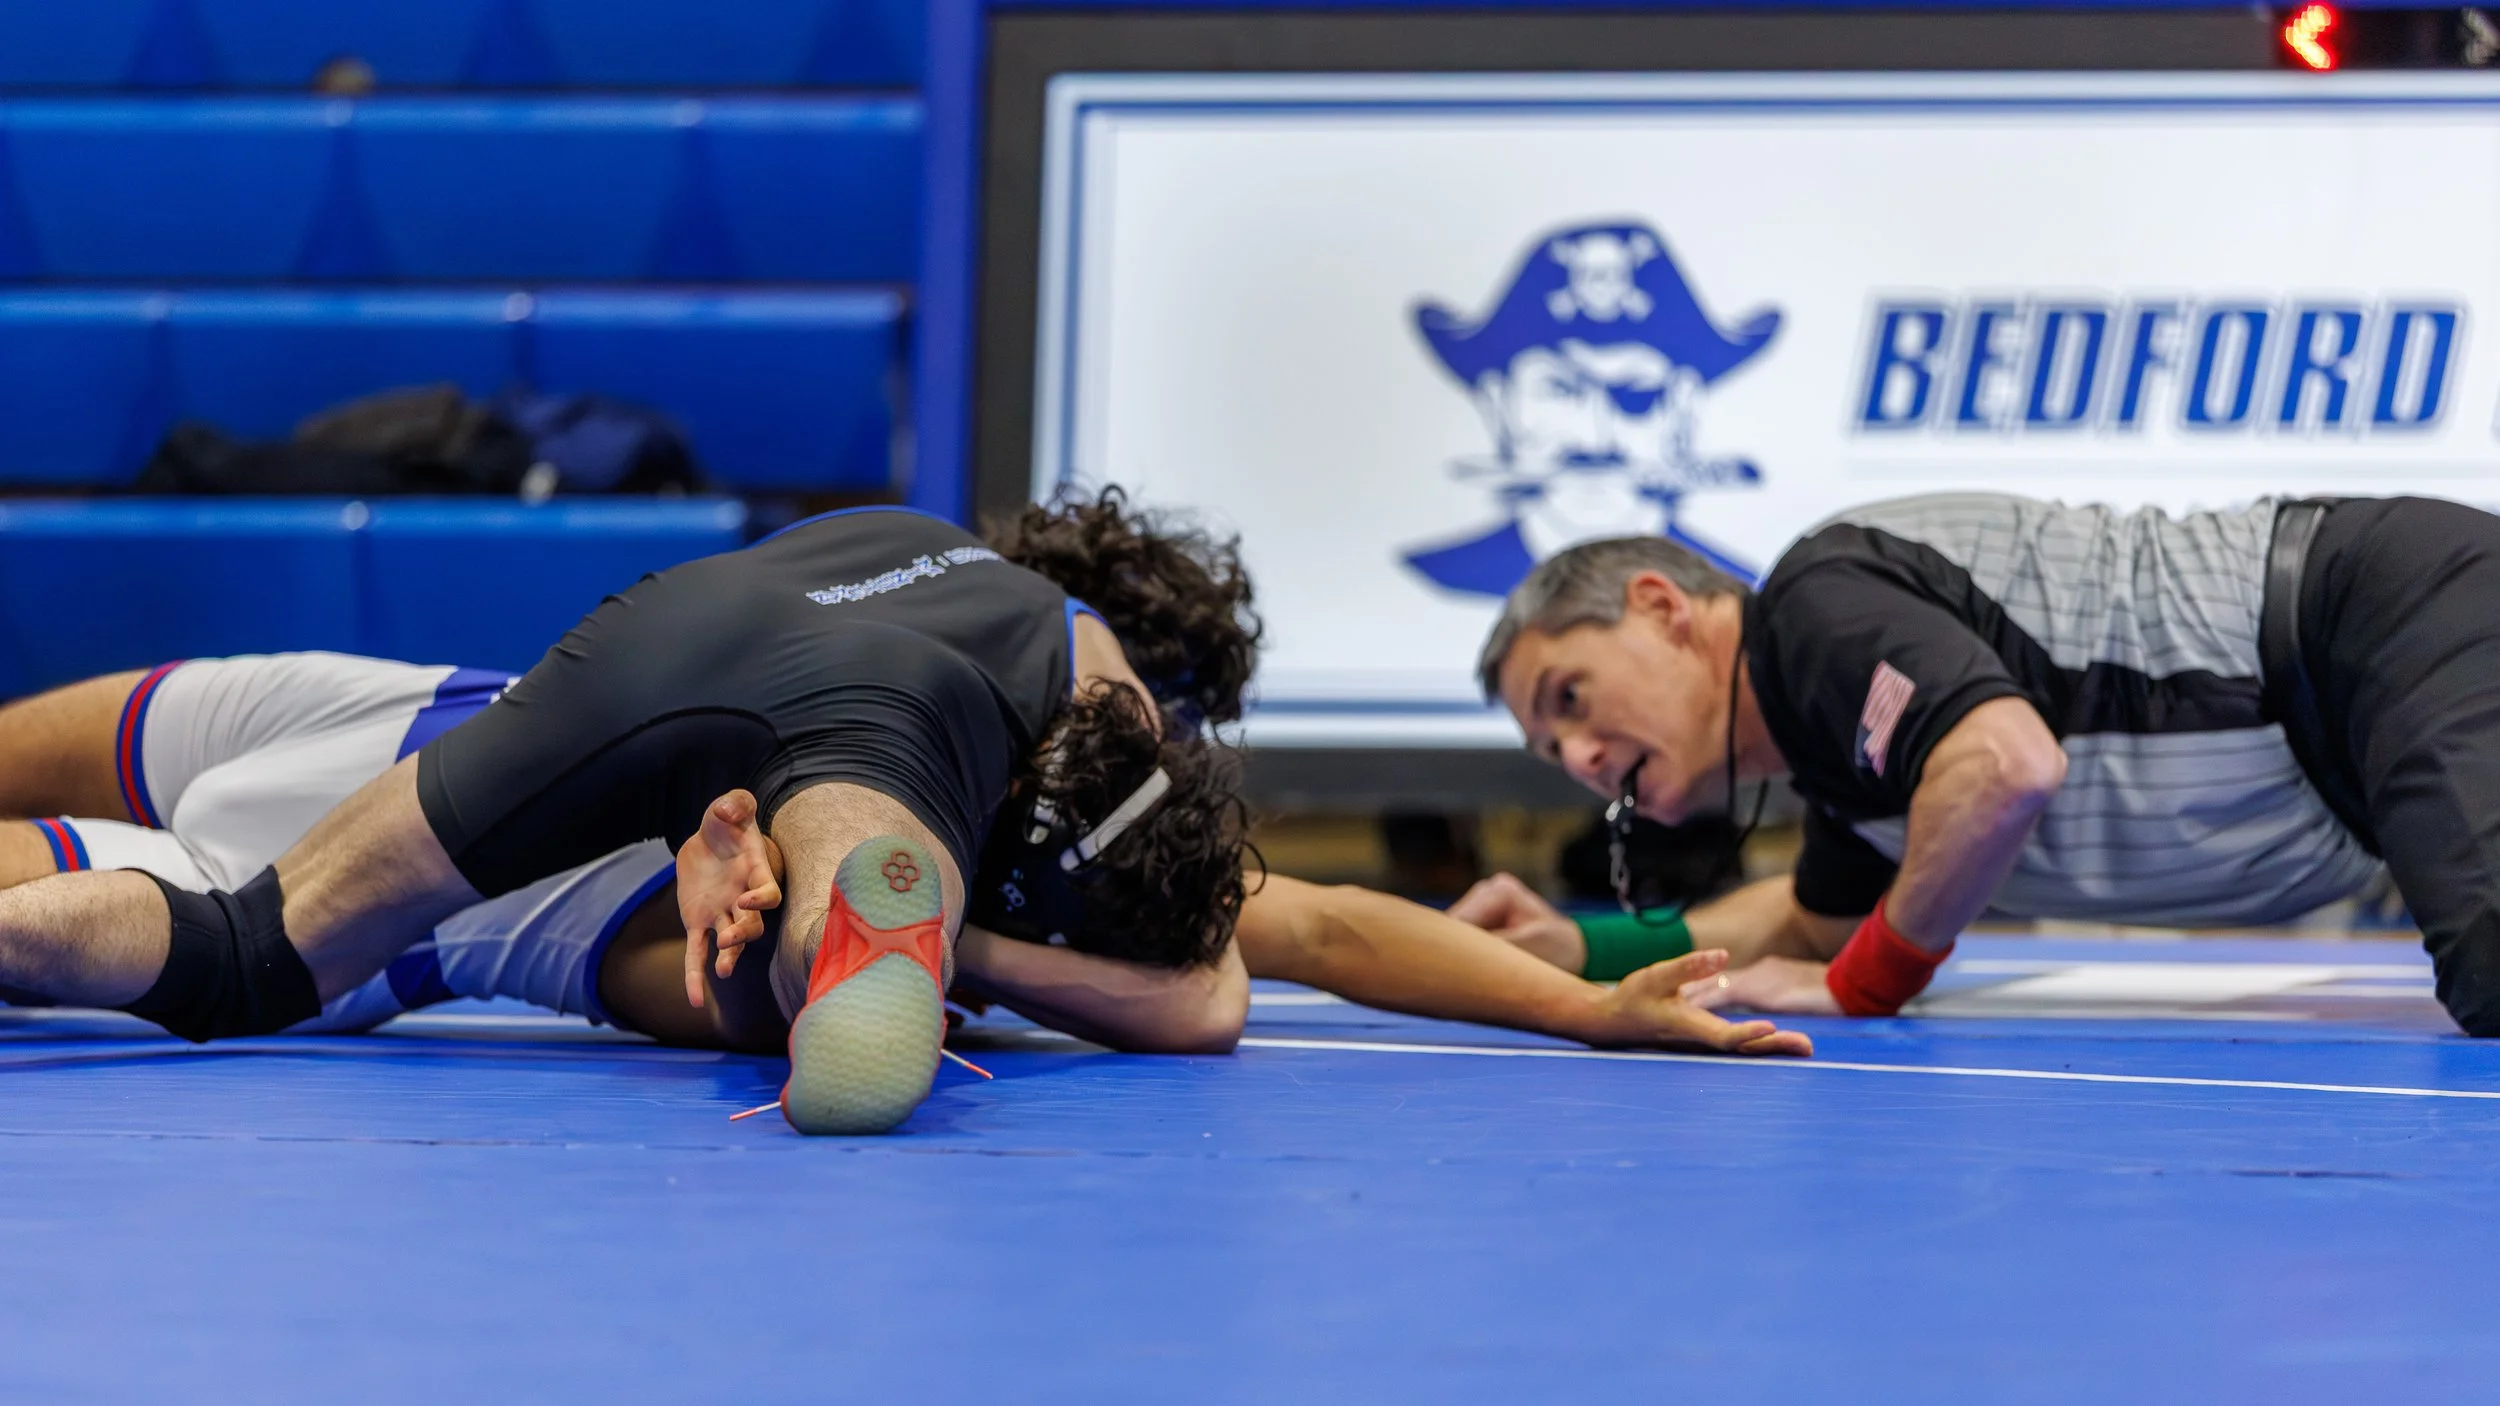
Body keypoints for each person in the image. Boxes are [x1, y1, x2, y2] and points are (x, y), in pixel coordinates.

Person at [0, 506, 1248, 1135]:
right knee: (861, 890)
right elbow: (1207, 1000)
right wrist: (972, 944)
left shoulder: (947, 556)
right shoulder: (1112, 710)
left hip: (630, 653)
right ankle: (851, 926)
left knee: (250, 937)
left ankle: (825, 898)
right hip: (861, 724)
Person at [1477, 492, 2500, 1036]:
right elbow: (1798, 924)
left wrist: (1867, 983)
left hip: (2379, 614)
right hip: (2357, 726)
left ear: (1661, 608)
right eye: (1549, 748)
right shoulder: (1856, 774)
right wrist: (1579, 944)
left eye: (1569, 697)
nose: (1580, 756)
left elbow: (2001, 766)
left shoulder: (1814, 605)